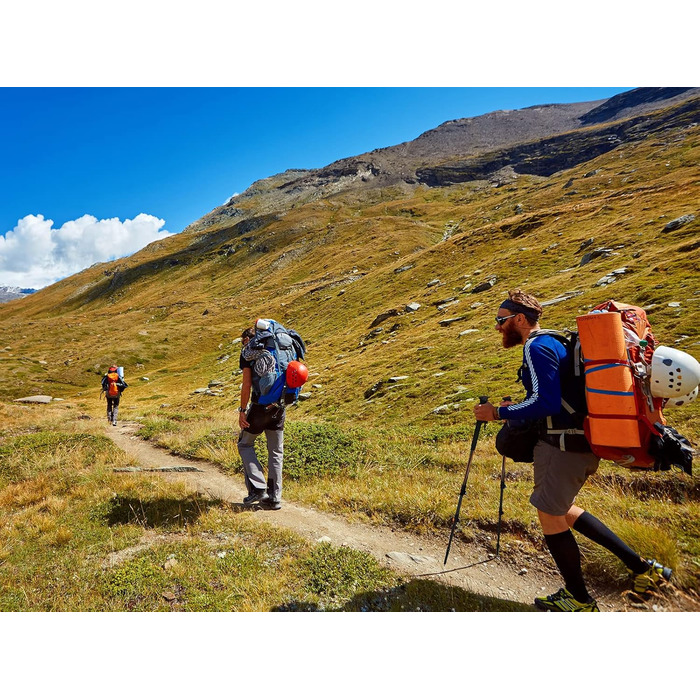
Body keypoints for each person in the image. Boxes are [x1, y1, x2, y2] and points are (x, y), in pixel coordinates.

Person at [473, 289, 672, 612]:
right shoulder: (555, 341)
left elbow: (546, 402)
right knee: (565, 510)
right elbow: (554, 396)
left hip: (562, 446)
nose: (498, 327)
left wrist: (497, 413)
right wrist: (517, 406)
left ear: (520, 319)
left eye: (501, 320)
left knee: (550, 515)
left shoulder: (536, 348)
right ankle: (644, 570)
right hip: (582, 441)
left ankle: (579, 599)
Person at [237, 326, 285, 510]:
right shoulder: (278, 349)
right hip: (279, 407)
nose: (243, 345)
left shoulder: (249, 352)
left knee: (244, 444)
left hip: (260, 407)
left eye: (243, 341)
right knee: (276, 451)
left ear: (248, 339)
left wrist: (242, 410)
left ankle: (258, 488)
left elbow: (247, 384)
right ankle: (274, 498)